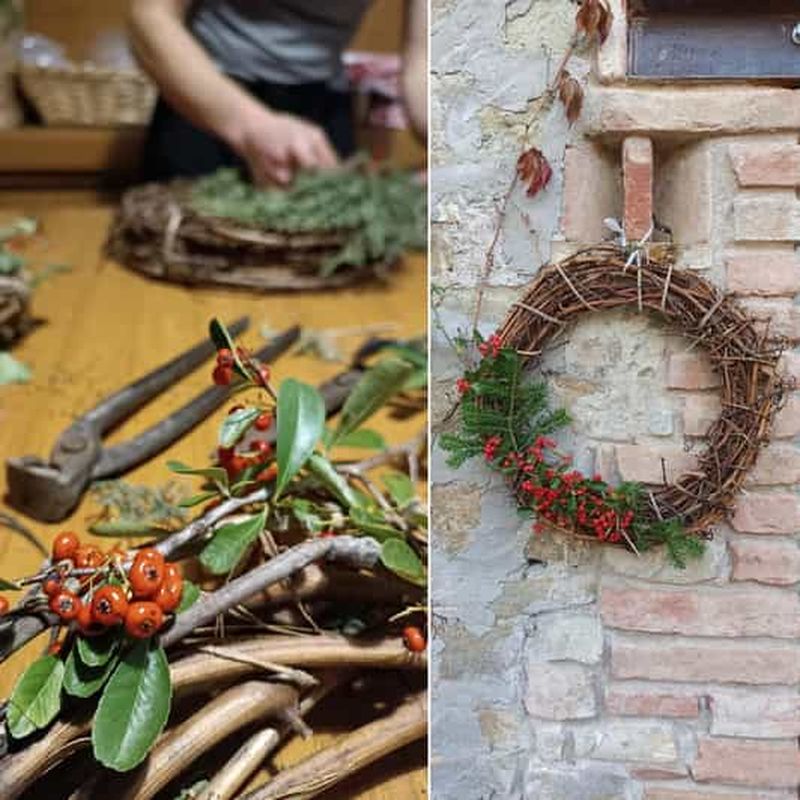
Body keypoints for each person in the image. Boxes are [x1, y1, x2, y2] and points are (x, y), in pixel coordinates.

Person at [128, 0, 427, 185]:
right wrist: (251, 125)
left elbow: (424, 61)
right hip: (209, 103)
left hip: (322, 107)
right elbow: (150, 16)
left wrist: (454, 151)